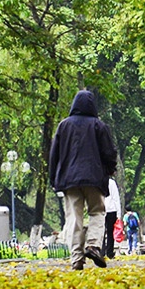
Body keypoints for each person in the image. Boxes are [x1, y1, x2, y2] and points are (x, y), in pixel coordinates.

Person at [48, 90, 119, 270]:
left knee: (74, 218)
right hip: (94, 178)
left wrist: (53, 178)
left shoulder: (63, 126)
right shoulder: (99, 126)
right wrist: (110, 169)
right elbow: (109, 152)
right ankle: (93, 245)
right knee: (97, 212)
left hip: (70, 180)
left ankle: (77, 258)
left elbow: (54, 154)